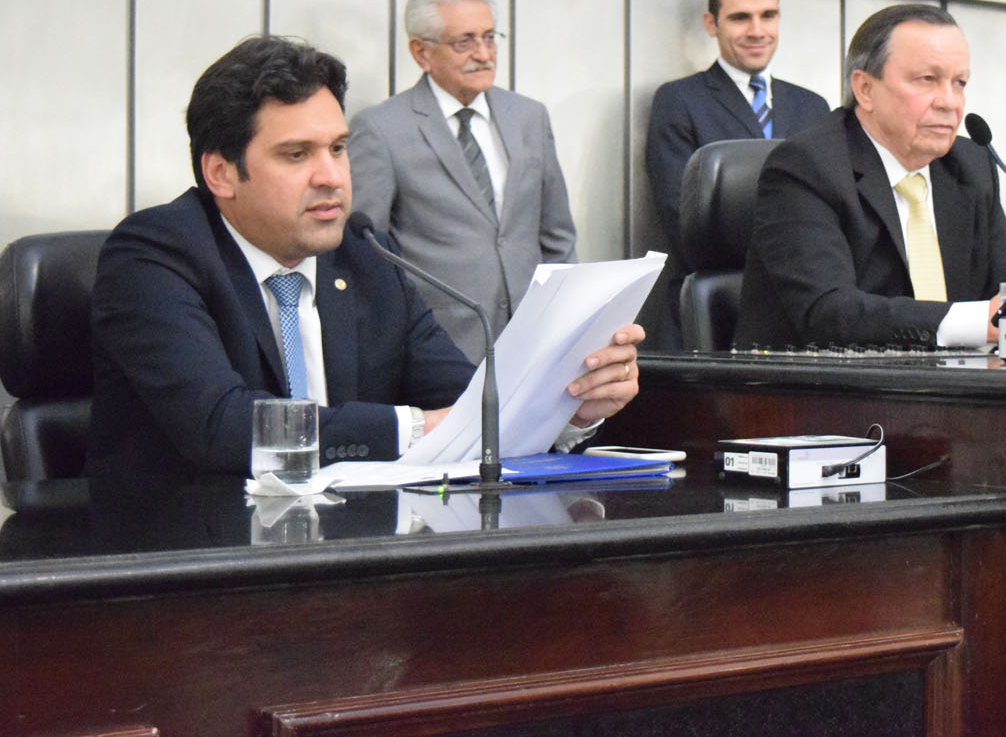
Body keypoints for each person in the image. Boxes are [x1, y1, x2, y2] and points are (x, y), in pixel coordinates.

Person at [87, 36, 641, 478]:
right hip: (186, 566)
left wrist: (567, 408)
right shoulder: (153, 255)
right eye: (296, 154)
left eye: (337, 148)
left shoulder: (365, 254)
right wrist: (415, 430)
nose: (331, 176)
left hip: (349, 557)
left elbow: (463, 400)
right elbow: (222, 427)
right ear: (221, 173)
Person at [733, 4, 1006, 350]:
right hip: (820, 394)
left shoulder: (971, 165)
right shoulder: (806, 167)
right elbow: (829, 311)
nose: (950, 102)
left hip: (956, 392)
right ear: (865, 89)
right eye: (927, 80)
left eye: (959, 83)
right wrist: (977, 323)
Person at [348, 0, 576, 363]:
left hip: (533, 343)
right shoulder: (381, 129)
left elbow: (558, 236)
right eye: (464, 42)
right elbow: (365, 252)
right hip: (437, 349)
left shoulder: (528, 116)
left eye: (490, 37)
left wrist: (561, 321)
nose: (484, 54)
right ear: (421, 52)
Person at [643, 0, 830, 345]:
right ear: (712, 23)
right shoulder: (679, 101)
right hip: (709, 322)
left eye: (768, 15)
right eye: (740, 17)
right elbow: (684, 221)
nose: (757, 31)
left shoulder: (813, 108)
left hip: (799, 319)